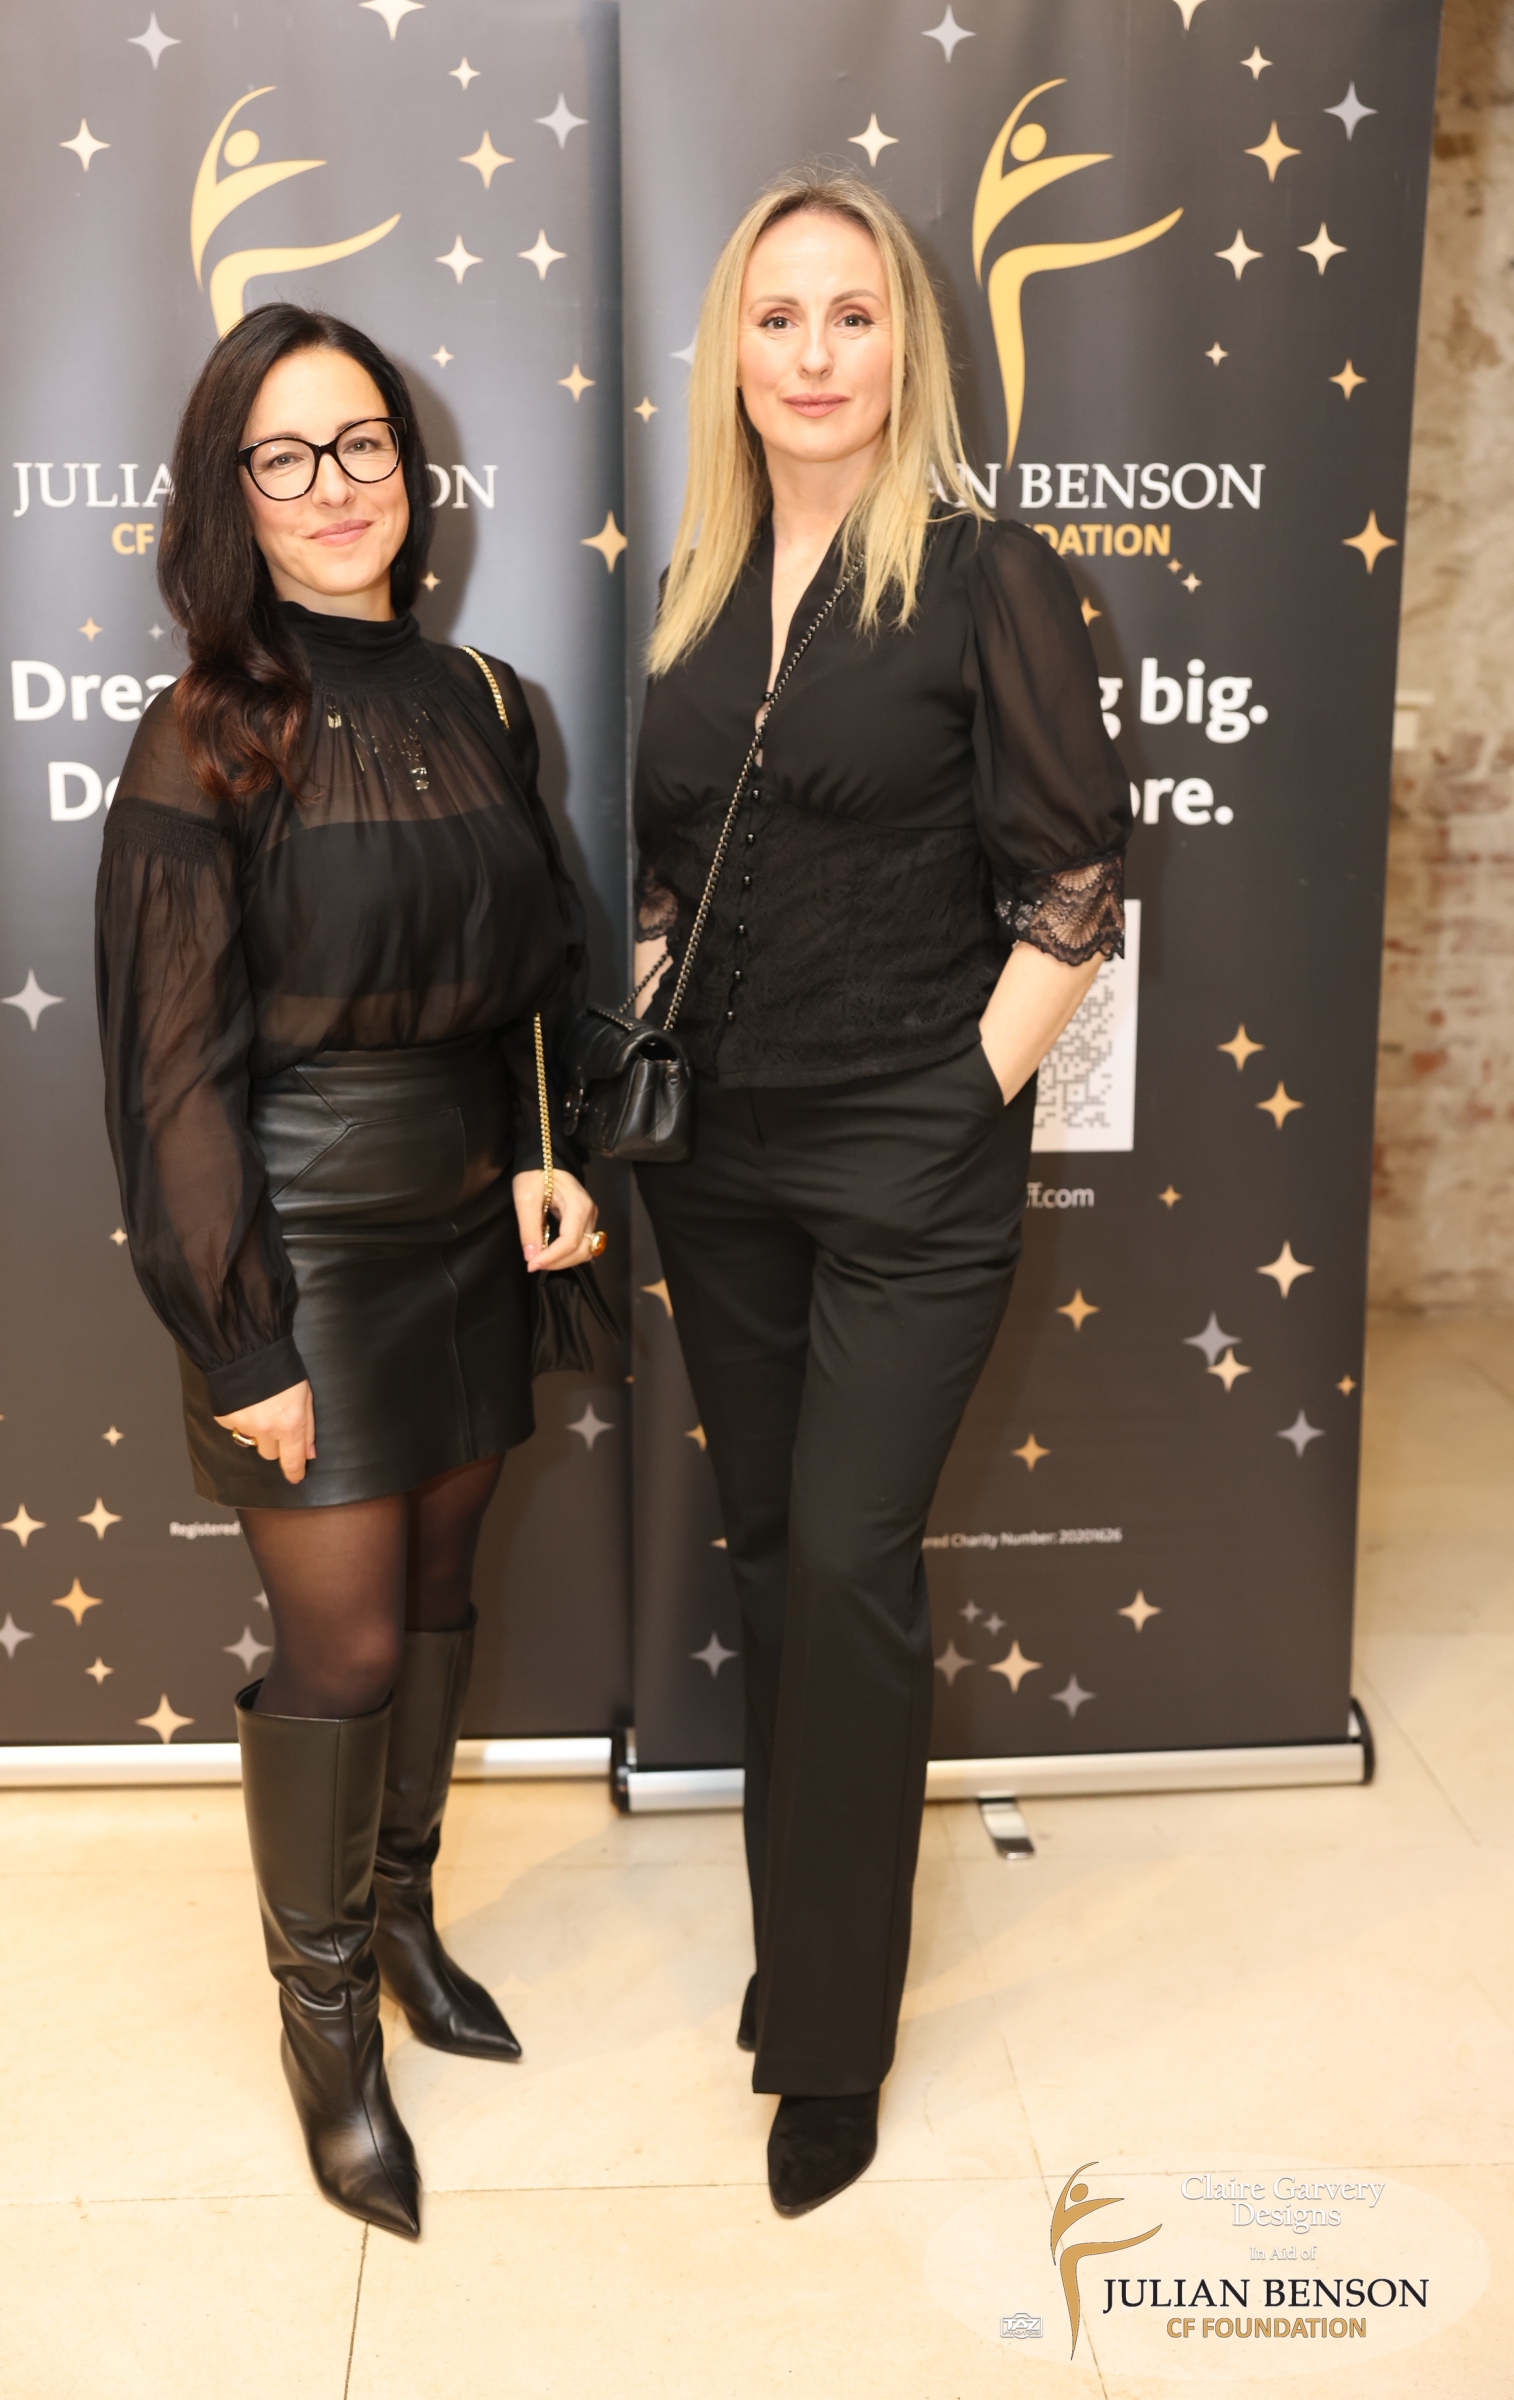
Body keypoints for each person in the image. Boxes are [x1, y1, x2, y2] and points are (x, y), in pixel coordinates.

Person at [632, 171, 1129, 2216]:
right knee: (770, 1558)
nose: (813, 352)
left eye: (850, 314)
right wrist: (647, 1003)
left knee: (845, 1566)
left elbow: (1074, 881)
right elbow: (672, 865)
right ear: (732, 353)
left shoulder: (987, 572)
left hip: (909, 1161)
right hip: (716, 1166)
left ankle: (834, 2043)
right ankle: (801, 1950)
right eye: (777, 317)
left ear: (901, 345)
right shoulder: (697, 584)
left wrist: (958, 1101)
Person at [95, 304, 599, 2238]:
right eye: (287, 456)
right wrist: (243, 1340)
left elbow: (538, 974)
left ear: (411, 462)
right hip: (298, 1241)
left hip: (474, 1224)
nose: (335, 486)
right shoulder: (206, 731)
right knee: (348, 1652)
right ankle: (329, 2045)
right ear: (231, 495)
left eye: (363, 441)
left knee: (445, 1598)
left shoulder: (490, 702)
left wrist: (548, 1155)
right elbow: (169, 1075)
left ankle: (402, 1924)